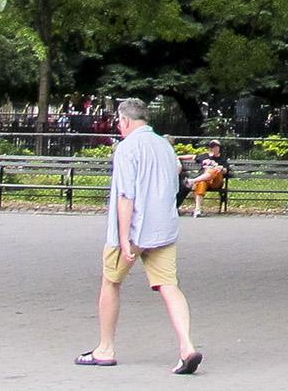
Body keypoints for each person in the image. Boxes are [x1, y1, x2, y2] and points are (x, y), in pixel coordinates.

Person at [78, 98, 201, 375]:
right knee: (169, 285)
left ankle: (105, 349)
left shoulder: (127, 148)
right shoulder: (165, 147)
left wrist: (124, 238)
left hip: (133, 230)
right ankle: (187, 346)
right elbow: (175, 184)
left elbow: (126, 196)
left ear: (125, 121)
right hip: (164, 229)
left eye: (118, 122)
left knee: (111, 282)